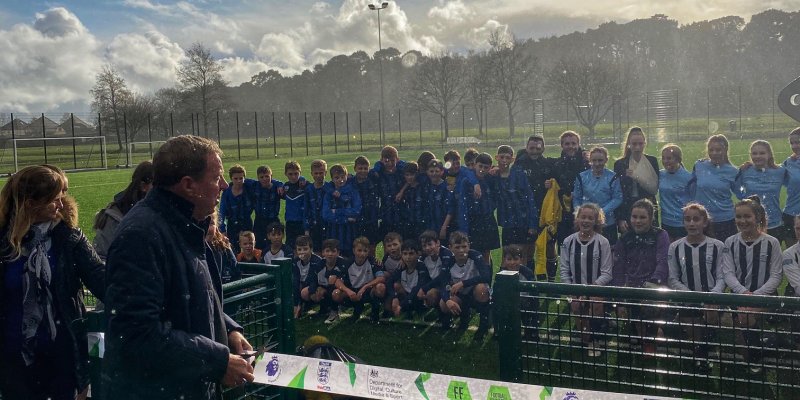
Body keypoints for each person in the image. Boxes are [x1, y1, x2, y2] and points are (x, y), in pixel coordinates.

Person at [103, 135, 254, 399]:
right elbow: (137, 335)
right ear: (188, 185)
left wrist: (226, 330)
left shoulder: (186, 223)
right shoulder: (141, 235)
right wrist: (217, 360)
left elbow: (192, 296)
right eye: (216, 177)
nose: (224, 185)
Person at [0, 165, 105, 400]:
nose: (61, 205)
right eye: (54, 199)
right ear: (30, 203)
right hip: (15, 356)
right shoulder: (4, 244)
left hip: (62, 353)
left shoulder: (69, 238)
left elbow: (101, 279)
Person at [721, 196, 783, 371]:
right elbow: (728, 274)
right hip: (739, 297)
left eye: (747, 216)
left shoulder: (771, 242)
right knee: (745, 340)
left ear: (758, 217)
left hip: (765, 296)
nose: (742, 221)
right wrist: (744, 294)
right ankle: (764, 347)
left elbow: (776, 276)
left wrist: (755, 296)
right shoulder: (730, 242)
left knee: (746, 320)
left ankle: (758, 357)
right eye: (738, 217)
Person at [667, 203, 725, 370]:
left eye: (696, 219)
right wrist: (691, 295)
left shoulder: (717, 246)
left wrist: (712, 295)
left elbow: (722, 276)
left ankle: (705, 345)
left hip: (711, 297)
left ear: (705, 223)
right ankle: (700, 352)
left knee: (709, 316)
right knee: (693, 322)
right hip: (687, 297)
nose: (691, 223)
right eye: (687, 219)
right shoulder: (675, 247)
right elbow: (673, 278)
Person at [612, 199, 669, 354]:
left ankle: (652, 335)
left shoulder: (660, 235)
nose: (637, 221)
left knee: (649, 308)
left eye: (642, 217)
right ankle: (640, 331)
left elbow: (662, 262)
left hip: (652, 285)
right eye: (634, 217)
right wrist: (620, 295)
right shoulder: (624, 239)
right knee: (632, 317)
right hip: (631, 285)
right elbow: (618, 269)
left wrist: (652, 284)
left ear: (651, 218)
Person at [559, 203, 613, 356]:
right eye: (583, 217)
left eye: (590, 218)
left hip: (595, 289)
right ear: (577, 219)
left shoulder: (602, 242)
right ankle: (588, 332)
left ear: (597, 221)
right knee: (583, 334)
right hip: (575, 291)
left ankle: (597, 335)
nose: (586, 221)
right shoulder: (568, 241)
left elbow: (607, 273)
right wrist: (572, 293)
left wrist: (589, 289)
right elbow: (564, 270)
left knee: (596, 302)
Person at [547, 131, 590, 281]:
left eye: (573, 143)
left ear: (578, 145)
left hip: (584, 212)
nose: (570, 146)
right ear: (561, 145)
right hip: (563, 214)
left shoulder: (587, 163)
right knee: (565, 248)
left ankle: (584, 283)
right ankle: (568, 283)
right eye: (567, 143)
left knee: (584, 248)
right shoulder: (556, 164)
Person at [93, 160, 154, 261]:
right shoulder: (115, 217)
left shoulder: (160, 211)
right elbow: (100, 259)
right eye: (157, 184)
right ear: (143, 186)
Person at [440, 231, 492, 339]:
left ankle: (484, 324)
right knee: (443, 303)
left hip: (474, 292)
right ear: (450, 248)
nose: (461, 250)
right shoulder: (449, 261)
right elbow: (442, 283)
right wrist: (447, 300)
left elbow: (486, 276)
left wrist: (463, 283)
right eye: (457, 247)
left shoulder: (475, 255)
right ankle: (461, 317)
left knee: (481, 289)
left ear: (469, 246)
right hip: (461, 295)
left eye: (464, 246)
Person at [492, 145, 538, 259]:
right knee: (506, 255)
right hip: (507, 223)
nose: (504, 160)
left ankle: (526, 276)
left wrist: (532, 223)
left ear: (512, 159)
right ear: (496, 157)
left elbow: (529, 199)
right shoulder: (494, 176)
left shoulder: (519, 174)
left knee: (522, 256)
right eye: (501, 157)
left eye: (507, 158)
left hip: (522, 221)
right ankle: (506, 276)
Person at [736, 140, 788, 240]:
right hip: (751, 224)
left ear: (769, 154)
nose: (758, 156)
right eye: (754, 153)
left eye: (762, 153)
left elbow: (793, 184)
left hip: (775, 223)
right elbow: (738, 192)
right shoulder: (745, 171)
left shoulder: (780, 171)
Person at [690, 134, 739, 240]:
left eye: (718, 150)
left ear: (725, 150)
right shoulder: (699, 165)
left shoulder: (733, 171)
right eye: (711, 150)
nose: (714, 153)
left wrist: (746, 171)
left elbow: (742, 194)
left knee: (726, 254)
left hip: (725, 220)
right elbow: (690, 188)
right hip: (703, 220)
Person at [572, 147, 622, 244]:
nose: (597, 163)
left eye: (600, 160)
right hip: (586, 222)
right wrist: (579, 213)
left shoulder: (613, 177)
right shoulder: (581, 177)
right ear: (590, 160)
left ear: (606, 160)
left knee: (608, 252)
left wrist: (601, 212)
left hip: (607, 222)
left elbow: (617, 198)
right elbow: (577, 198)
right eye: (594, 160)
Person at [614, 127, 660, 233]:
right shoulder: (620, 164)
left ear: (645, 143)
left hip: (647, 206)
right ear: (629, 144)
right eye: (634, 144)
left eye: (640, 143)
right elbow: (618, 193)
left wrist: (636, 176)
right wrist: (620, 218)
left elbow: (654, 188)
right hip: (627, 207)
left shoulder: (652, 161)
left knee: (650, 240)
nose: (637, 147)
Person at [458, 153, 500, 262]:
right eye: (480, 166)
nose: (482, 170)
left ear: (490, 168)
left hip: (487, 219)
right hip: (473, 220)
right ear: (475, 165)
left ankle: (487, 278)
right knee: (472, 253)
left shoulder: (491, 179)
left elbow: (496, 197)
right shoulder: (467, 181)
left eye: (486, 168)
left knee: (486, 252)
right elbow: (463, 204)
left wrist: (489, 207)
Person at [332, 237, 385, 322]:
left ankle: (375, 310)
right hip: (353, 291)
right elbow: (337, 281)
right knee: (336, 294)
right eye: (359, 250)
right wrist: (348, 291)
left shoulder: (373, 261)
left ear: (368, 251)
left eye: (365, 251)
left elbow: (381, 278)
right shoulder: (347, 263)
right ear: (354, 251)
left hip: (367, 291)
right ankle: (357, 307)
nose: (362, 254)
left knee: (380, 287)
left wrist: (365, 287)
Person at [302, 238, 346, 324]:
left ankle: (335, 310)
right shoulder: (318, 265)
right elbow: (311, 279)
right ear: (323, 253)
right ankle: (322, 309)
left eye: (333, 251)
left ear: (338, 253)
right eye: (327, 251)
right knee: (305, 292)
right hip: (324, 288)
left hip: (342, 291)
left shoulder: (343, 264)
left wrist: (331, 285)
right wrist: (313, 291)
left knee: (335, 292)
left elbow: (345, 283)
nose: (330, 254)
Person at [322, 164, 361, 258]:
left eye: (343, 177)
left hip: (350, 231)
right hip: (334, 230)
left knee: (350, 257)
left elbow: (356, 211)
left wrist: (337, 212)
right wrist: (346, 219)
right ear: (332, 179)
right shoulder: (329, 194)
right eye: (337, 178)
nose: (341, 180)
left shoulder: (353, 191)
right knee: (334, 255)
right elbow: (326, 215)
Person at [418, 229, 453, 327]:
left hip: (450, 285)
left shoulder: (446, 254)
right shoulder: (423, 258)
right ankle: (438, 311)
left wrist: (424, 288)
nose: (427, 248)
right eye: (424, 246)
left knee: (441, 297)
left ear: (438, 243)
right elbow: (423, 277)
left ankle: (452, 314)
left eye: (430, 244)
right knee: (430, 294)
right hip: (437, 285)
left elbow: (443, 277)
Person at [658, 144, 692, 241]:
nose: (665, 161)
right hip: (666, 221)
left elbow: (694, 200)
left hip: (682, 222)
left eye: (669, 158)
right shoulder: (660, 174)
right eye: (663, 158)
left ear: (678, 159)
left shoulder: (688, 177)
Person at [389, 239, 429, 319]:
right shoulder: (401, 266)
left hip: (417, 296)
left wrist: (401, 305)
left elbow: (418, 287)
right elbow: (389, 282)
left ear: (417, 254)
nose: (408, 257)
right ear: (401, 255)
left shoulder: (422, 267)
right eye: (405, 254)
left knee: (419, 292)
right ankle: (406, 310)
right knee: (395, 285)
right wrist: (394, 297)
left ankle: (419, 310)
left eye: (411, 254)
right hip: (407, 295)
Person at [218, 164, 254, 254]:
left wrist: (279, 184)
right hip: (232, 225)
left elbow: (264, 181)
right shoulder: (227, 193)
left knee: (248, 247)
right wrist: (222, 229)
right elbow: (221, 212)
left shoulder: (248, 187)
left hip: (247, 223)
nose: (239, 181)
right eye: (236, 178)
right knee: (233, 249)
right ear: (231, 178)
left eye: (241, 178)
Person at [350, 156, 381, 256]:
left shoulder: (373, 179)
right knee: (357, 245)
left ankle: (372, 266)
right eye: (360, 168)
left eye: (365, 168)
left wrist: (375, 168)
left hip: (371, 217)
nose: (363, 171)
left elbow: (380, 163)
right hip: (356, 219)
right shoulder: (350, 182)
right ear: (355, 169)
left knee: (371, 245)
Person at [418, 159, 455, 241]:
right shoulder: (426, 187)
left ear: (442, 172)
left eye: (437, 171)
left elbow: (450, 209)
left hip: (443, 225)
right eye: (431, 171)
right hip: (429, 225)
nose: (434, 174)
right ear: (427, 172)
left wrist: (444, 227)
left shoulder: (447, 187)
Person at [248, 165, 283, 251]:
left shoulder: (276, 188)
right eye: (261, 177)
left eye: (267, 176)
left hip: (273, 220)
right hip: (259, 220)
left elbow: (284, 186)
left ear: (271, 176)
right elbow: (244, 181)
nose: (264, 179)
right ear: (258, 178)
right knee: (258, 245)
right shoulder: (255, 185)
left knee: (274, 244)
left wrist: (279, 184)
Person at [292, 235, 321, 318]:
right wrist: (295, 305)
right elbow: (295, 280)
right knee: (294, 284)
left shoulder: (317, 261)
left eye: (305, 249)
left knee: (306, 292)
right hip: (303, 284)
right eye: (299, 249)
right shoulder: (295, 261)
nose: (302, 252)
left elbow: (314, 280)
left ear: (311, 249)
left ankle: (325, 306)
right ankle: (300, 305)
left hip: (316, 285)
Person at [207, 212, 239, 284]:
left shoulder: (223, 248)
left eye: (211, 223)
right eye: (203, 222)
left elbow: (236, 273)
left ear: (217, 227)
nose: (207, 228)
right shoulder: (189, 249)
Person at [781, 128, 800, 247]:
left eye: (798, 142)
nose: (794, 146)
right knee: (792, 254)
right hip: (791, 214)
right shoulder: (788, 163)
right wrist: (750, 166)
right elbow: (770, 172)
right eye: (792, 143)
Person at [305, 160, 329, 251]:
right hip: (313, 225)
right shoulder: (308, 189)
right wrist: (306, 229)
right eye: (316, 173)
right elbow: (306, 210)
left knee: (327, 248)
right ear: (312, 174)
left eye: (321, 173)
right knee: (316, 250)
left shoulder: (330, 187)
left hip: (327, 225)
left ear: (325, 173)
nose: (318, 175)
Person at [282, 161, 307, 249]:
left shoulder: (304, 185)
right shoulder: (285, 186)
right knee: (290, 246)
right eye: (290, 174)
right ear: (285, 174)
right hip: (290, 222)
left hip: (302, 222)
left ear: (300, 173)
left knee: (302, 246)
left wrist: (303, 178)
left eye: (296, 174)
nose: (293, 176)